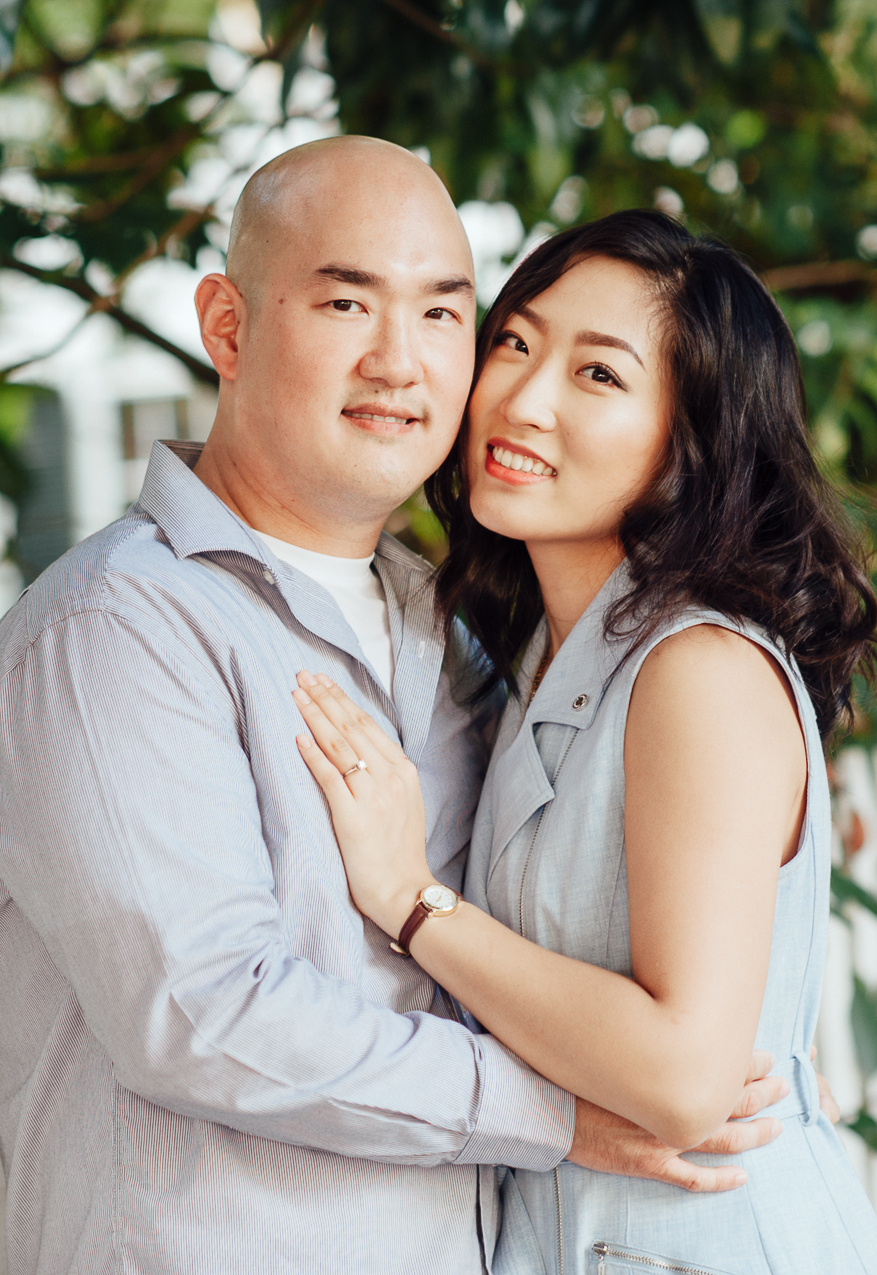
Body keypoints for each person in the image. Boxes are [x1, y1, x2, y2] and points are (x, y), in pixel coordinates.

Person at [0, 139, 794, 1275]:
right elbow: (207, 1017)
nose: (401, 363)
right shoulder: (113, 630)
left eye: (443, 315)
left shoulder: (458, 638)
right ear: (226, 327)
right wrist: (560, 1114)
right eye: (345, 303)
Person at [287, 210, 877, 1275]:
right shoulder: (530, 657)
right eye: (516, 343)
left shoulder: (698, 670)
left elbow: (684, 1077)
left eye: (600, 376)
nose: (522, 399)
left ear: (691, 439)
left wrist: (414, 903)